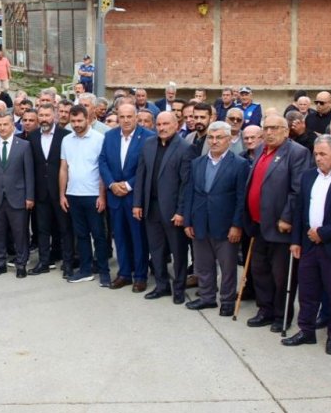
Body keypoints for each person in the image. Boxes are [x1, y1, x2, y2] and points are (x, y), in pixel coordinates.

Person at [283, 135, 331, 353]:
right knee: (307, 292)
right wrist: (296, 241)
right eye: (316, 154)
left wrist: (323, 234)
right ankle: (306, 330)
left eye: (323, 154)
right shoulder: (309, 176)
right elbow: (300, 210)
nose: (318, 158)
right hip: (309, 245)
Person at [243, 115, 310, 331]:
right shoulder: (260, 150)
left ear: (286, 131)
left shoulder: (297, 153)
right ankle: (265, 309)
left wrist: (287, 217)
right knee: (260, 270)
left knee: (281, 276)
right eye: (266, 128)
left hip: (280, 225)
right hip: (258, 223)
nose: (269, 132)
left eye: (275, 128)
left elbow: (297, 189)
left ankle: (282, 315)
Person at [181, 121, 249, 314]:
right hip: (200, 222)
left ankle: (227, 302)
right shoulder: (197, 163)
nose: (214, 141)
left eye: (219, 137)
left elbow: (241, 198)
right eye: (211, 137)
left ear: (229, 139)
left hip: (226, 225)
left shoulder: (240, 164)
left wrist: (237, 225)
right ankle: (207, 297)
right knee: (203, 265)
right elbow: (190, 193)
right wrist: (188, 221)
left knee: (228, 267)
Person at [134, 108, 192, 303]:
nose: (162, 128)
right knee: (156, 249)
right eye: (158, 124)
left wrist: (181, 211)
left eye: (166, 124)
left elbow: (186, 184)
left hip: (173, 210)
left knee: (178, 251)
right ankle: (162, 286)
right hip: (151, 207)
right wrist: (137, 203)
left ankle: (179, 289)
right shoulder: (148, 144)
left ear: (176, 125)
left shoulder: (184, 148)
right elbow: (141, 175)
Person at [100, 102, 153, 291]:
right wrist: (111, 184)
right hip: (115, 195)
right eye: (122, 117)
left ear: (136, 117)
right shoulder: (110, 136)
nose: (126, 120)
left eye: (129, 116)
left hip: (135, 197)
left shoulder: (148, 137)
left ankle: (140, 276)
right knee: (120, 237)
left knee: (138, 238)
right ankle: (124, 274)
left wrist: (128, 185)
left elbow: (147, 167)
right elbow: (103, 161)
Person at [60, 105, 111, 286]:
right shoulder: (66, 140)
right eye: (73, 121)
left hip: (93, 195)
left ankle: (104, 272)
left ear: (88, 119)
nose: (76, 124)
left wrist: (102, 196)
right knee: (80, 235)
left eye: (80, 120)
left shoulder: (99, 139)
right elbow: (64, 168)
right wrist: (62, 194)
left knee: (99, 236)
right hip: (73, 195)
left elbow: (103, 169)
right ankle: (85, 270)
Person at [0, 112, 34, 278]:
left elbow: (29, 173)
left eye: (5, 124)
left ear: (13, 126)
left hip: (18, 197)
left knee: (20, 233)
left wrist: (30, 197)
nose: (2, 128)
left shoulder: (24, 146)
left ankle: (21, 264)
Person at [27, 104, 71, 277]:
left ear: (55, 116)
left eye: (47, 115)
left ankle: (68, 263)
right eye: (41, 115)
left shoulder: (65, 136)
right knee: (42, 229)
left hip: (60, 191)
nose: (44, 119)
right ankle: (44, 262)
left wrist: (64, 191)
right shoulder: (32, 136)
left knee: (65, 229)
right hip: (40, 192)